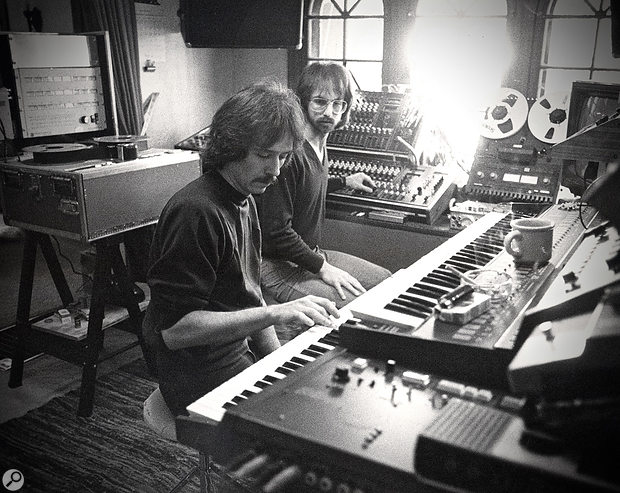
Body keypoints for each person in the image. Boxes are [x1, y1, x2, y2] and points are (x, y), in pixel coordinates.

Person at [141, 81, 340, 416]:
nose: (275, 170)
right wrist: (276, 313)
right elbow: (173, 332)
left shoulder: (243, 198)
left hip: (236, 360)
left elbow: (251, 298)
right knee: (315, 420)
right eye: (264, 155)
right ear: (232, 146)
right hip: (200, 383)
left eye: (283, 157)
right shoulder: (196, 212)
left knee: (326, 393)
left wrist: (280, 365)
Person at [256, 62, 391, 310]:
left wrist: (344, 182)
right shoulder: (290, 154)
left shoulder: (319, 145)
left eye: (337, 104)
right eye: (320, 102)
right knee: (362, 306)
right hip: (279, 268)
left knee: (386, 281)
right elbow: (275, 232)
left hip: (310, 256)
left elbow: (305, 188)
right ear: (303, 103)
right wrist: (323, 268)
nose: (329, 112)